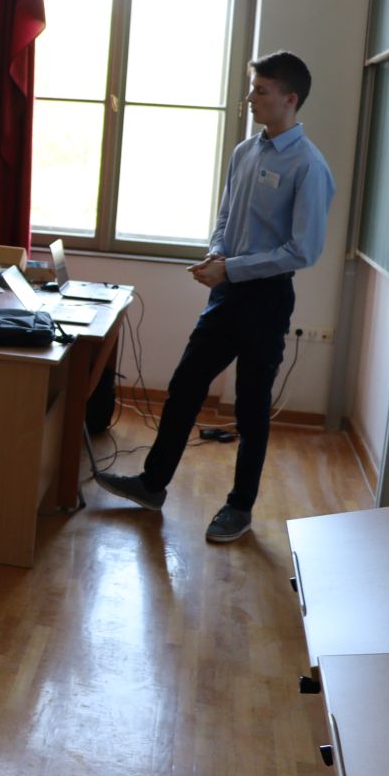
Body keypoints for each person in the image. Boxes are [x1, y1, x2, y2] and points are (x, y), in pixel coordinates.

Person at [96, 51, 335, 543]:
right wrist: (216, 254)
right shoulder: (245, 151)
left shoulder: (309, 166)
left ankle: (239, 508)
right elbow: (226, 216)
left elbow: (303, 250)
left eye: (261, 91)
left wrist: (233, 268)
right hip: (227, 292)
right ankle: (152, 485)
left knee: (250, 407)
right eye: (252, 88)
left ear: (290, 99)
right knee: (185, 386)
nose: (250, 98)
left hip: (266, 299)